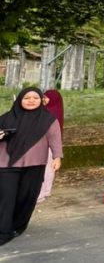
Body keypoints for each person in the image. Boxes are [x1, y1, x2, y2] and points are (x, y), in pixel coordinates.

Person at [0, 87, 63, 245]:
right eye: (26, 98)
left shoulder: (48, 120)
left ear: (41, 100)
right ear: (19, 100)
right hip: (6, 164)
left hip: (35, 164)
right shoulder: (6, 118)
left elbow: (55, 138)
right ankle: (3, 231)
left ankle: (17, 226)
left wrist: (57, 157)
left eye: (35, 98)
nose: (31, 101)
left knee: (26, 197)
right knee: (6, 197)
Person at [38, 89, 64, 202]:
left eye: (46, 97)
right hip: (50, 144)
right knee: (49, 169)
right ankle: (45, 191)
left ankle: (41, 193)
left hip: (47, 144)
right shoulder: (56, 109)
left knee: (45, 169)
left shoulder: (50, 111)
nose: (44, 99)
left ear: (53, 99)